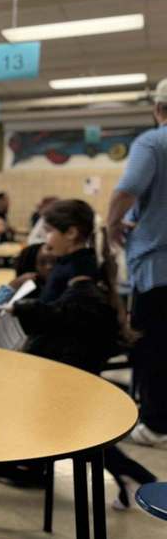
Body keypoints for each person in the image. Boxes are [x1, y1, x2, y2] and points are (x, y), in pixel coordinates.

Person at [12, 200, 155, 508]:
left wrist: (25, 308)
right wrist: (36, 285)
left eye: (50, 232)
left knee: (80, 431)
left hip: (69, 362)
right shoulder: (74, 262)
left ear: (72, 233)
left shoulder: (79, 268)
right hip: (64, 360)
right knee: (77, 428)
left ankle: (131, 473)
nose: (46, 240)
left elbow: (70, 313)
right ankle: (128, 473)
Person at [108, 78, 167, 446]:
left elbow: (127, 190)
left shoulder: (153, 142)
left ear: (158, 108)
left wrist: (113, 224)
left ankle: (156, 424)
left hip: (159, 268)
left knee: (154, 346)